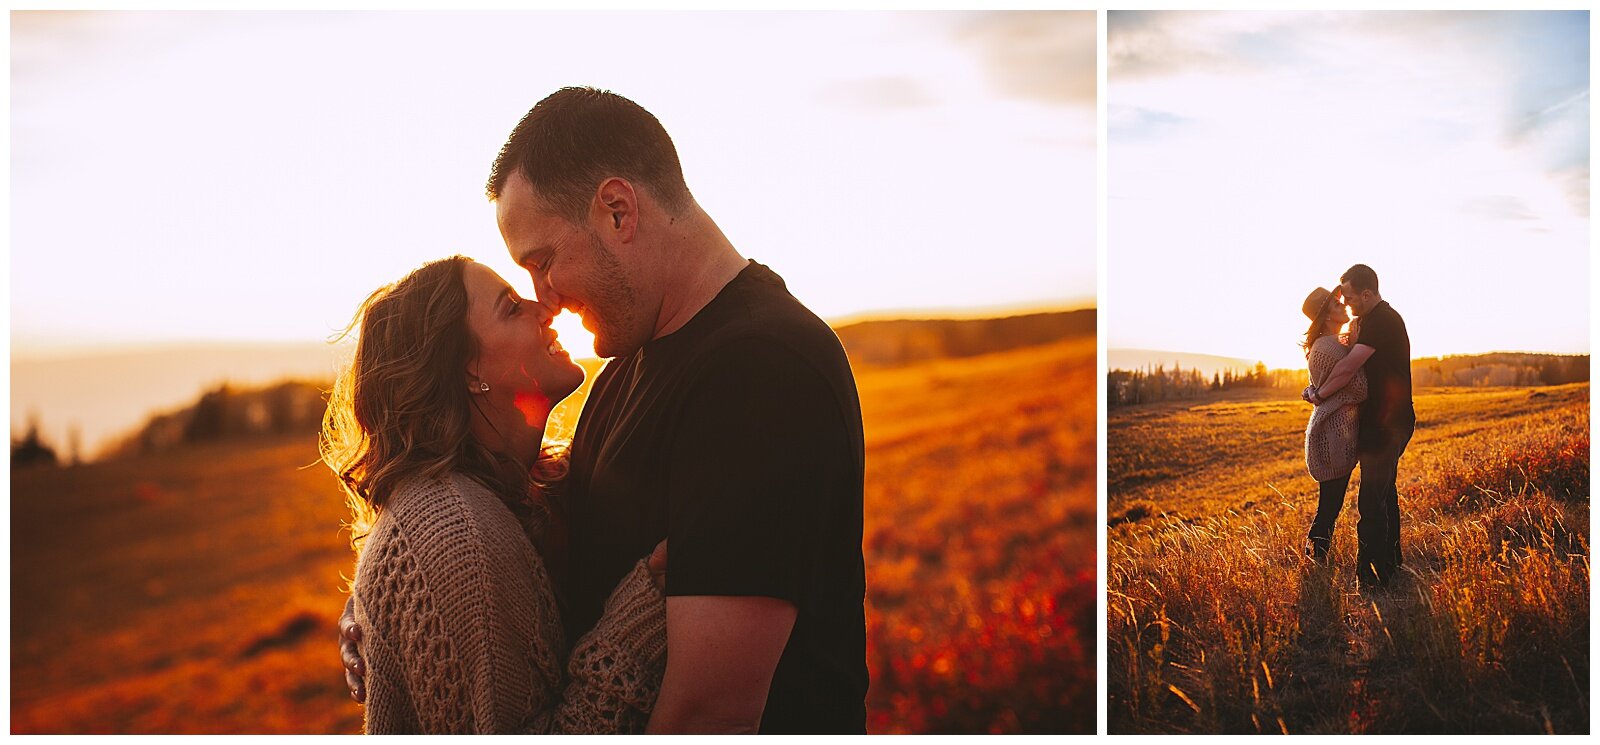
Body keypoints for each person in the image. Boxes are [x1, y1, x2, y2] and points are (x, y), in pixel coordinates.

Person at [342, 87, 869, 733]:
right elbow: (546, 546)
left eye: (543, 262)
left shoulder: (761, 370)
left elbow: (709, 714)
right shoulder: (625, 371)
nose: (546, 299)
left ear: (618, 210)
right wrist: (396, 606)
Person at [322, 256, 670, 734]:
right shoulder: (455, 534)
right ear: (468, 370)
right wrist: (646, 610)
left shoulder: (519, 490)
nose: (544, 307)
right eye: (510, 306)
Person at [1303, 264, 1414, 587]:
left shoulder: (1382, 320)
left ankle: (1371, 577)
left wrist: (1318, 394)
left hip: (1387, 423)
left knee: (1371, 500)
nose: (1347, 303)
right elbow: (1341, 366)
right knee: (1381, 495)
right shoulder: (1365, 321)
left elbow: (1350, 368)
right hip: (1376, 422)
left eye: (1349, 298)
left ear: (1367, 294)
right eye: (1341, 300)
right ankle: (1390, 566)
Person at [1298, 286, 1366, 563]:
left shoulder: (1330, 343)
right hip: (1336, 432)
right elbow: (1360, 388)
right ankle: (1316, 559)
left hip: (1334, 429)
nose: (1344, 306)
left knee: (1330, 503)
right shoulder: (1329, 347)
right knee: (1330, 504)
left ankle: (1316, 558)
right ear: (1326, 317)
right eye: (1337, 305)